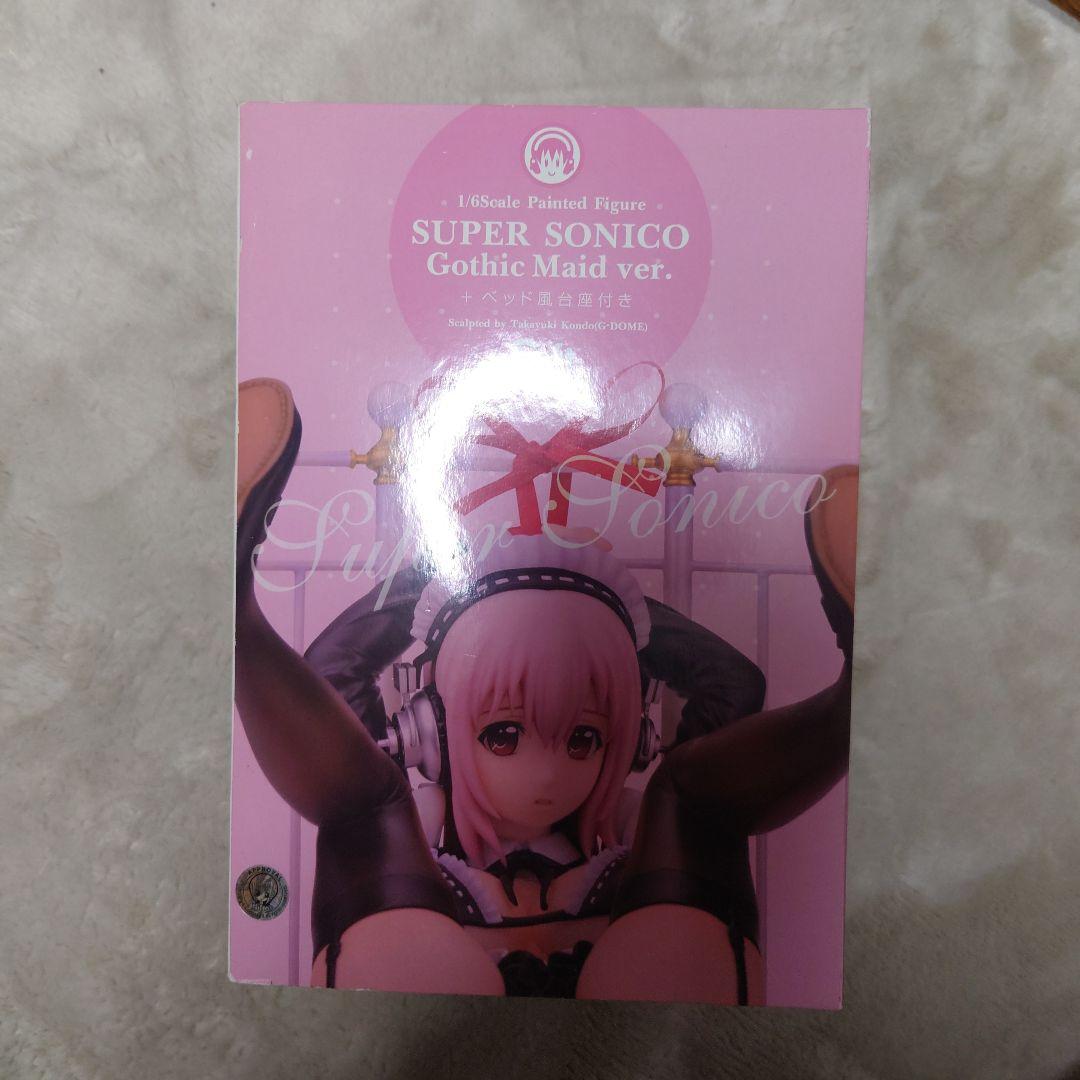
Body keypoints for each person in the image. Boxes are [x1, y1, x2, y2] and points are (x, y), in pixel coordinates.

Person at [234, 378, 856, 1003]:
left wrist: (592, 601)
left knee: (687, 802)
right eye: (503, 735)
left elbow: (733, 687)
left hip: (636, 1032)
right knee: (369, 810)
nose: (548, 774)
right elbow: (332, 679)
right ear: (430, 733)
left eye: (583, 739)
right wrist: (454, 571)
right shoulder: (422, 836)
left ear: (630, 741)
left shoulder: (629, 842)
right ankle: (237, 618)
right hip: (443, 1031)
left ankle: (855, 701)